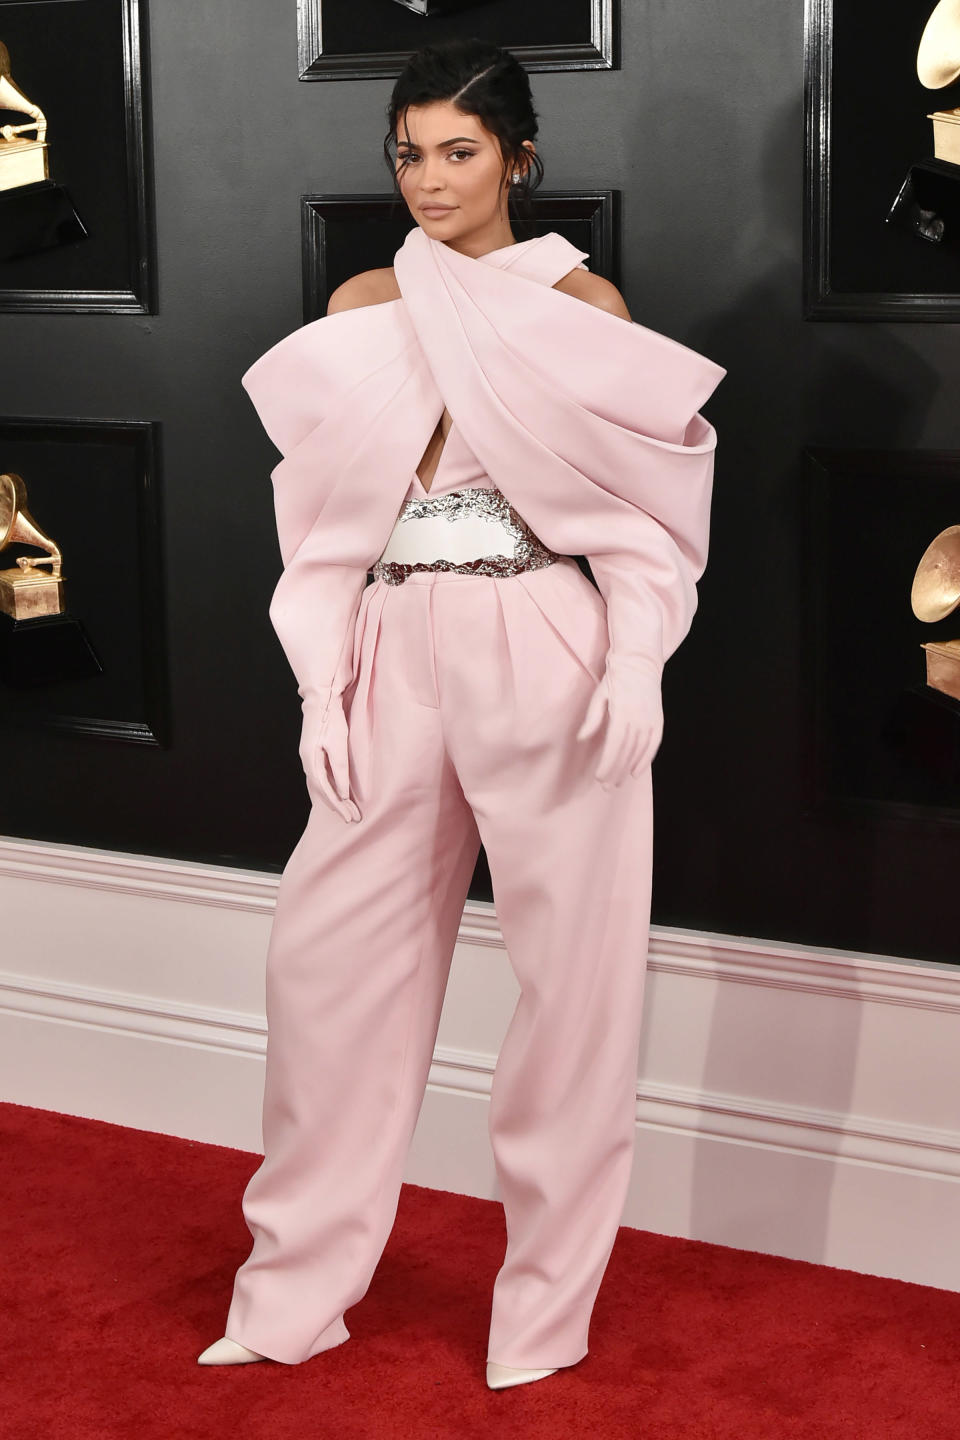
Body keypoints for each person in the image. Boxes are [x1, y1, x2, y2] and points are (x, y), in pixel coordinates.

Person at [197, 36, 725, 1390]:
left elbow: (646, 518)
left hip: (544, 637)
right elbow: (318, 515)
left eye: (459, 152)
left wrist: (631, 661)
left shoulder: (582, 304)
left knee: (575, 990)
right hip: (390, 638)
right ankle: (289, 1296)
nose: (429, 180)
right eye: (409, 154)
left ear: (520, 160)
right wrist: (324, 675)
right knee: (327, 977)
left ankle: (542, 1318)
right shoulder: (365, 296)